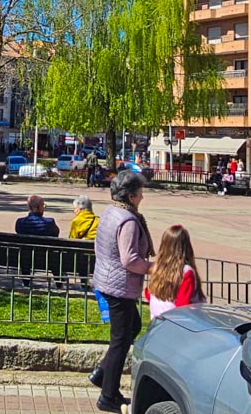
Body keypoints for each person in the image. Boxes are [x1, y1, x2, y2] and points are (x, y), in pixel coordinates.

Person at [89, 171, 153, 413]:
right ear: (130, 195)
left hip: (108, 280)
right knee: (120, 341)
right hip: (118, 286)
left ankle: (102, 374)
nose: (143, 197)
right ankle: (108, 395)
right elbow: (130, 259)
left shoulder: (110, 212)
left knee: (132, 327)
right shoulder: (127, 221)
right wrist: (153, 268)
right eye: (140, 193)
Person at [147, 224, 205, 318]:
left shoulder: (156, 268)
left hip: (156, 320)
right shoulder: (186, 272)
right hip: (176, 322)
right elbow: (183, 303)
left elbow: (148, 293)